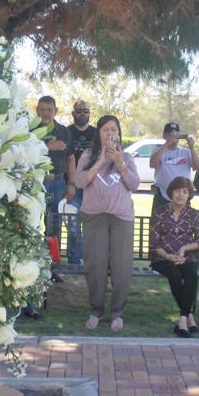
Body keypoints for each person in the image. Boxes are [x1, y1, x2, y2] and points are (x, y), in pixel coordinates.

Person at [73, 115, 139, 332]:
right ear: (99, 133)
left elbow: (134, 185)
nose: (109, 133)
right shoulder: (88, 155)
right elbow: (79, 182)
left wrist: (119, 163)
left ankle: (117, 313)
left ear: (118, 133)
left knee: (121, 266)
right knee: (95, 265)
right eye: (105, 129)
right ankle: (96, 310)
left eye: (113, 129)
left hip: (121, 217)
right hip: (94, 216)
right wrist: (101, 160)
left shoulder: (127, 157)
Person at [148, 176, 199, 337]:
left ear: (189, 195)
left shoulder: (194, 214)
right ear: (170, 193)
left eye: (185, 192)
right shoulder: (159, 213)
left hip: (187, 258)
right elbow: (154, 244)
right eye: (177, 191)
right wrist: (168, 256)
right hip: (162, 258)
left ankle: (182, 319)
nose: (181, 195)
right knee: (174, 275)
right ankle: (189, 317)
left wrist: (184, 249)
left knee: (191, 275)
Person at [36, 95, 72, 286]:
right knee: (33, 224)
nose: (45, 113)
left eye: (49, 110)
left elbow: (70, 159)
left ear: (55, 111)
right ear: (37, 110)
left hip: (57, 182)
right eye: (42, 109)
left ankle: (53, 268)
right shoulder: (31, 129)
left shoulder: (64, 131)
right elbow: (24, 151)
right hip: (36, 184)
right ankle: (34, 266)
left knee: (54, 225)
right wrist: (47, 146)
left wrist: (71, 183)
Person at [65, 100, 96, 265]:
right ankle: (74, 260)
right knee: (73, 225)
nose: (82, 114)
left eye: (85, 111)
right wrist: (69, 183)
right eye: (78, 111)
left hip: (92, 186)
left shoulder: (96, 133)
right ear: (72, 113)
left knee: (91, 225)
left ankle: (89, 258)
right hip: (73, 186)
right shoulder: (66, 132)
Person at [150, 122, 199, 209]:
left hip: (183, 197)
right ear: (164, 136)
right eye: (170, 134)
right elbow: (152, 164)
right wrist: (166, 144)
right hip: (162, 196)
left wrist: (192, 147)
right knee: (158, 222)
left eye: (177, 134)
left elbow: (198, 167)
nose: (174, 137)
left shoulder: (186, 152)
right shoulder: (158, 151)